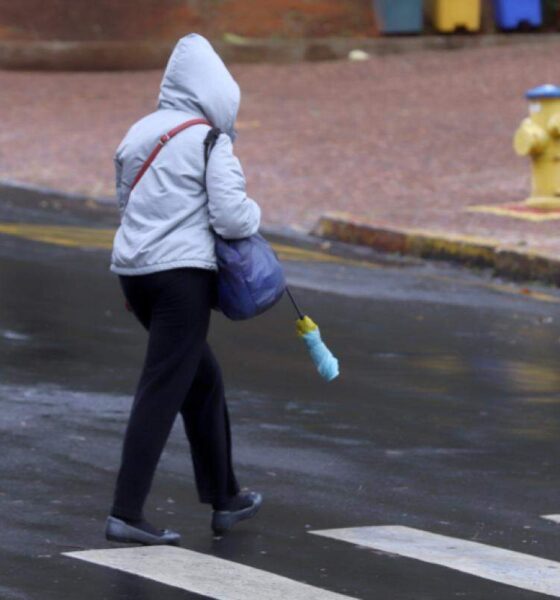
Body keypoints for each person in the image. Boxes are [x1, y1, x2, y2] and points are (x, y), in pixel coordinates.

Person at [105, 34, 263, 546]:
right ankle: (126, 513)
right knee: (163, 388)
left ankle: (226, 497)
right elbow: (233, 218)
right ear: (218, 91)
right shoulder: (210, 140)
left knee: (202, 380)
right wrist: (259, 214)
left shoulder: (139, 132)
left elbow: (125, 202)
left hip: (137, 274)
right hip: (182, 279)